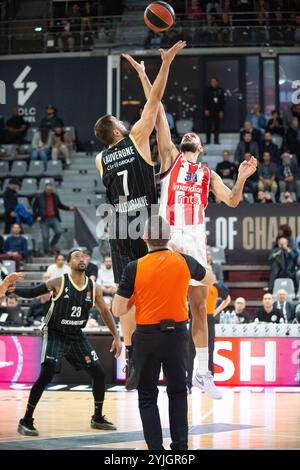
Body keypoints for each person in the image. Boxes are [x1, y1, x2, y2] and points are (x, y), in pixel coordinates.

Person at [125, 53, 257, 399]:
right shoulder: (170, 159)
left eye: (195, 136)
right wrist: (146, 73)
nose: (191, 136)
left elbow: (231, 201)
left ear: (201, 148)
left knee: (200, 307)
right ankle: (137, 361)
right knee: (160, 306)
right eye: (189, 134)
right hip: (167, 240)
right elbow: (158, 110)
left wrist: (242, 177)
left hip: (196, 240)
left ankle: (202, 373)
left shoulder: (208, 174)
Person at [94, 41, 186, 390]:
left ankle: (133, 358)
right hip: (147, 224)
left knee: (127, 295)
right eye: (119, 120)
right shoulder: (134, 137)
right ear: (117, 131)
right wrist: (162, 66)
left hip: (119, 226)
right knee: (161, 287)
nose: (124, 120)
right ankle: (167, 348)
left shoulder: (100, 159)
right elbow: (156, 102)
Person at [112, 215, 216, 450]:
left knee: (147, 394)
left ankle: (156, 451)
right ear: (169, 237)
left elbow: (118, 308)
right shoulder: (184, 261)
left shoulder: (133, 267)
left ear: (145, 237)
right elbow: (210, 279)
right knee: (178, 392)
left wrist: (135, 296)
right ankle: (180, 447)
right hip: (177, 335)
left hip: (147, 338)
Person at [15, 248, 122, 437]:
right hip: (54, 332)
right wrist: (12, 288)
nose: (81, 259)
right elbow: (32, 292)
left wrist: (116, 337)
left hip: (76, 335)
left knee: (98, 373)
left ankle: (97, 417)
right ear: (69, 263)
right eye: (76, 257)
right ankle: (26, 420)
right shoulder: (59, 281)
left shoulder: (93, 287)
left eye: (84, 256)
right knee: (47, 372)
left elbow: (105, 313)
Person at [32, 183, 74, 255]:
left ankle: (51, 246)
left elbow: (60, 205)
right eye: (48, 190)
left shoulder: (55, 196)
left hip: (53, 218)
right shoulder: (39, 196)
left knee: (59, 231)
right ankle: (46, 251)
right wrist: (36, 216)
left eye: (50, 190)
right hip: (43, 219)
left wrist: (69, 208)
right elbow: (34, 208)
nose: (49, 191)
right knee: (45, 236)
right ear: (45, 189)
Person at [203, 77, 224, 144]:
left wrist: (221, 110)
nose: (213, 83)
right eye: (212, 82)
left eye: (214, 82)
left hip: (217, 111)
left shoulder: (220, 90)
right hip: (209, 110)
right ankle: (208, 140)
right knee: (208, 126)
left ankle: (216, 140)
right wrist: (206, 109)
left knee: (217, 126)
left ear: (217, 82)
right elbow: (205, 101)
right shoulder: (207, 90)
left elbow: (222, 101)